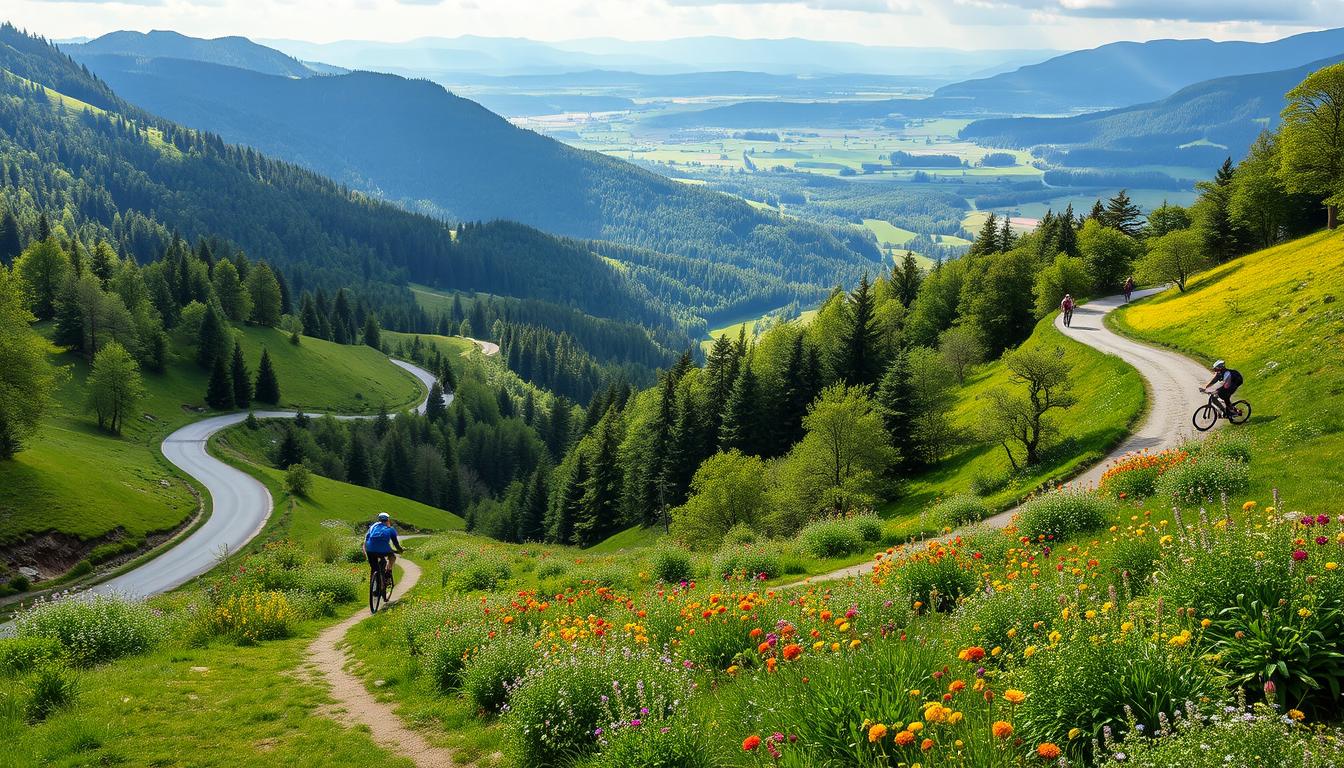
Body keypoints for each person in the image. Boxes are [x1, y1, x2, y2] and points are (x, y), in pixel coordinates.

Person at [363, 512, 403, 585]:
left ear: (379, 519)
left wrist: (365, 551)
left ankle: (374, 589)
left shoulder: (372, 527)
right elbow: (395, 543)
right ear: (388, 520)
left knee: (374, 568)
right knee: (392, 557)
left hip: (370, 550)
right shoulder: (390, 529)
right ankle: (388, 573)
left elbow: (366, 540)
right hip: (383, 550)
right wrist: (400, 550)